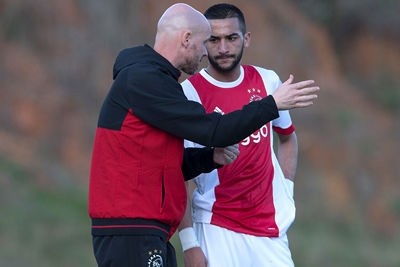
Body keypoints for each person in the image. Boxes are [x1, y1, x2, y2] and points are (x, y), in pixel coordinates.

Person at [88, 3, 319, 267]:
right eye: (204, 43)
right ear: (186, 39)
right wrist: (271, 104)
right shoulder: (143, 81)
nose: (205, 53)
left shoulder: (159, 81)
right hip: (130, 226)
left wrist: (210, 158)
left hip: (148, 228)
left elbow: (168, 163)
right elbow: (215, 130)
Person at [178, 3, 306, 267]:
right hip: (216, 226)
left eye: (231, 38)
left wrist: (286, 190)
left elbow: (287, 138)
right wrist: (189, 243)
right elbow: (176, 171)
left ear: (246, 39)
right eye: (214, 39)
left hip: (269, 230)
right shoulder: (188, 93)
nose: (223, 48)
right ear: (203, 42)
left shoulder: (268, 80)